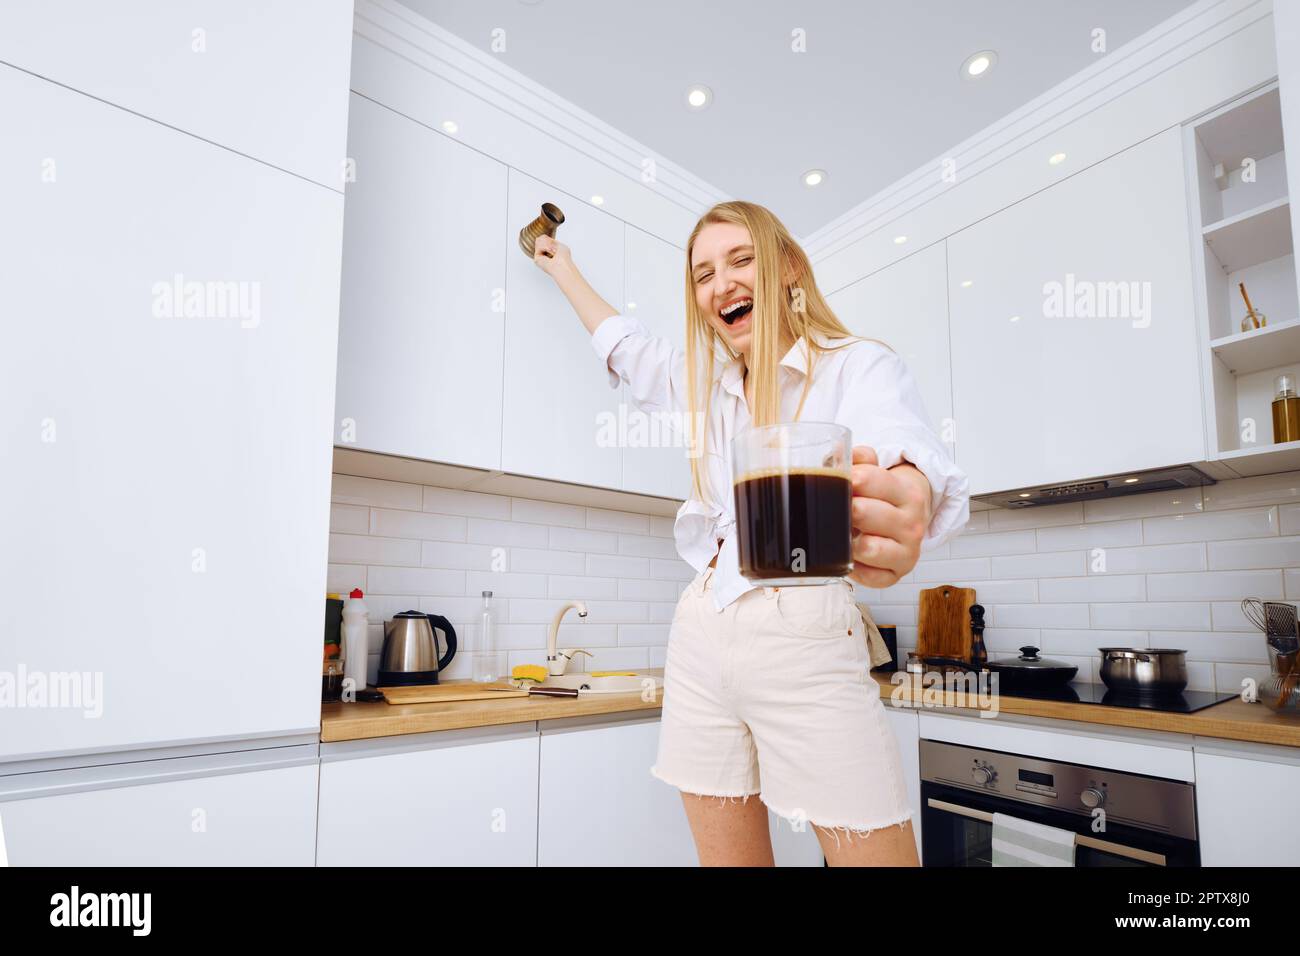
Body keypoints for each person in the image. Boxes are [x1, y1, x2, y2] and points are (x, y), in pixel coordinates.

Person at [532, 200, 969, 866]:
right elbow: (624, 344)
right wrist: (559, 264)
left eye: (742, 261)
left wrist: (906, 493)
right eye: (704, 274)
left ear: (788, 267)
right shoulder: (706, 390)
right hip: (703, 631)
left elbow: (903, 450)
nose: (722, 285)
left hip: (807, 635)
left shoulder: (858, 367)